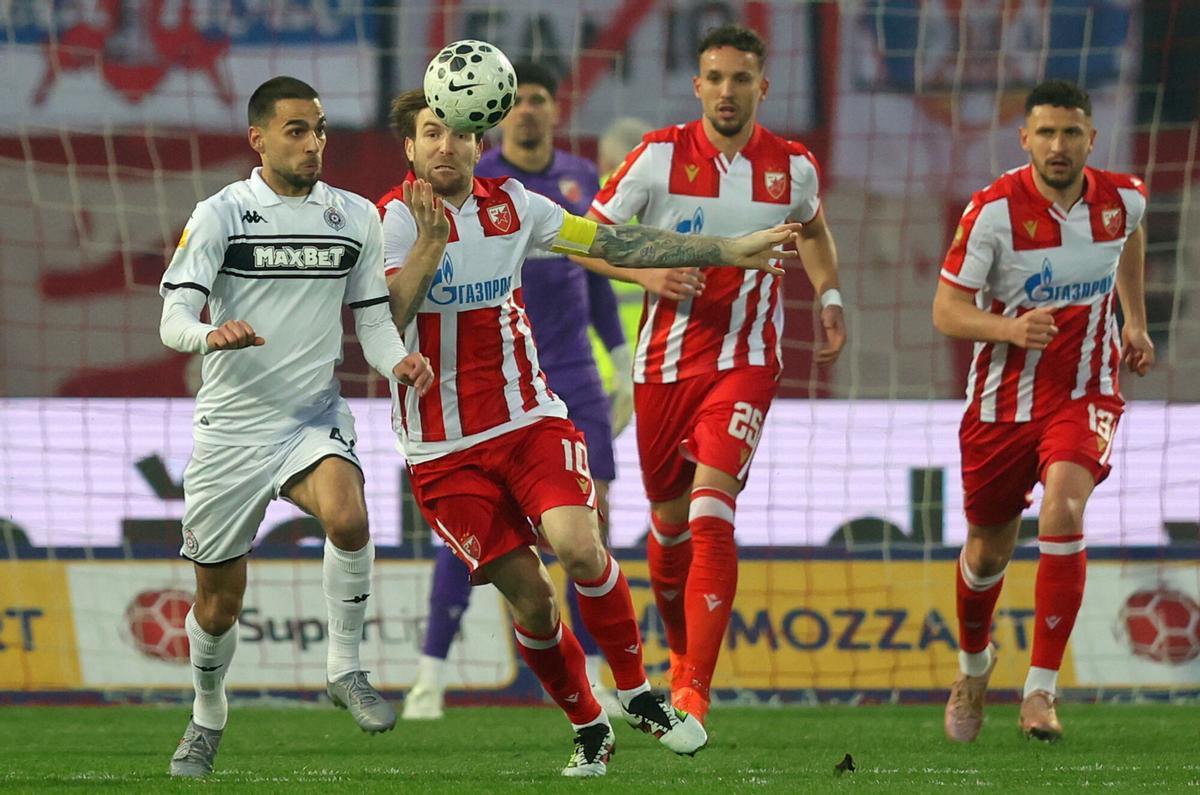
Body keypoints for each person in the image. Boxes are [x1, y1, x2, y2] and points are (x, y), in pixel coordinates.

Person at [379, 87, 800, 776]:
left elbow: (612, 241)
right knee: (533, 602)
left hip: (527, 420)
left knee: (580, 545)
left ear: (480, 143)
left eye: (458, 133)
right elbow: (388, 315)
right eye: (431, 132)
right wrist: (430, 241)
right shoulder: (389, 221)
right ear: (410, 145)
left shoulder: (516, 206)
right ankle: (588, 724)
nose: (444, 145)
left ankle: (635, 692)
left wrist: (725, 248)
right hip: (442, 450)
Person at [158, 76, 433, 778]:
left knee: (349, 515)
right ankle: (207, 713)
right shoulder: (220, 214)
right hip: (231, 430)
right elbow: (172, 319)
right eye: (297, 130)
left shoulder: (354, 216)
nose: (314, 143)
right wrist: (210, 334)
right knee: (217, 607)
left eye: (319, 129)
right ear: (258, 139)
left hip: (311, 416)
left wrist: (398, 362)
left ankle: (345, 668)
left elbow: (373, 321)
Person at [582, 24, 846, 725]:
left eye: (741, 79)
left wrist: (829, 295)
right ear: (698, 86)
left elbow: (815, 231)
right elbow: (583, 239)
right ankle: (680, 657)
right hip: (663, 367)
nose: (728, 91)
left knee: (709, 510)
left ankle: (694, 688)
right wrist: (650, 273)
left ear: (763, 87)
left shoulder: (792, 167)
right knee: (668, 526)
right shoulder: (657, 157)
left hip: (747, 361)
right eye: (716, 79)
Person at [401, 62, 627, 722]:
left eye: (539, 98)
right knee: (479, 536)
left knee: (589, 529)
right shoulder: (462, 180)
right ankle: (430, 674)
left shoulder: (573, 179)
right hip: (482, 381)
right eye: (519, 99)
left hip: (572, 373)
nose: (528, 109)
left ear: (554, 109)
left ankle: (602, 675)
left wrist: (619, 356)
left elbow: (595, 265)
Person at [934, 79, 1154, 743]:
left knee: (1064, 509)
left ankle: (1041, 690)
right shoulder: (992, 211)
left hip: (1085, 391)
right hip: (1001, 403)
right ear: (1024, 138)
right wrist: (1009, 329)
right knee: (986, 552)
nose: (1059, 145)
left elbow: (1130, 239)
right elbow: (946, 311)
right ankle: (974, 668)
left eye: (1072, 133)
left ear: (1091, 138)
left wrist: (1135, 321)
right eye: (1047, 133)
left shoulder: (1123, 199)